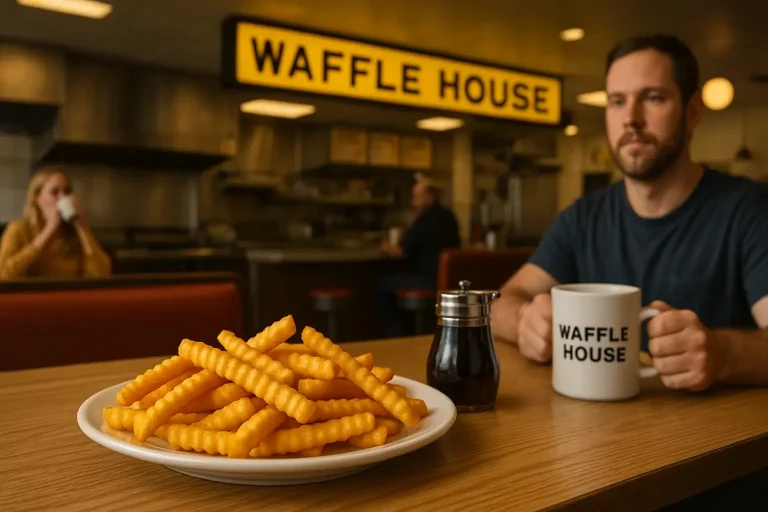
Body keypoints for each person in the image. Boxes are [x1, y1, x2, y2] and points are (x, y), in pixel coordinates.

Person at [491, 33, 768, 390]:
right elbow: (501, 301)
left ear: (693, 112)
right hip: (594, 434)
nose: (631, 119)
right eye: (617, 101)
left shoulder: (749, 211)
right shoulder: (583, 217)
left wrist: (724, 353)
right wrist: (524, 322)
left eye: (653, 98)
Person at [375, 178, 460, 337]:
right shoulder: (449, 216)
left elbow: (402, 251)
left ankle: (395, 334)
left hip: (428, 281)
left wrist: (386, 246)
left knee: (381, 285)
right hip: (448, 283)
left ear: (429, 196)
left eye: (416, 197)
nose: (413, 201)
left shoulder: (425, 219)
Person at [0, 168, 111, 279]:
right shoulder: (19, 230)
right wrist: (49, 230)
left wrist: (81, 227)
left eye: (67, 192)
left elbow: (102, 275)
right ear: (37, 198)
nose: (63, 198)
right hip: (32, 296)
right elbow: (4, 275)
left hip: (67, 295)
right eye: (54, 192)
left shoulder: (74, 234)